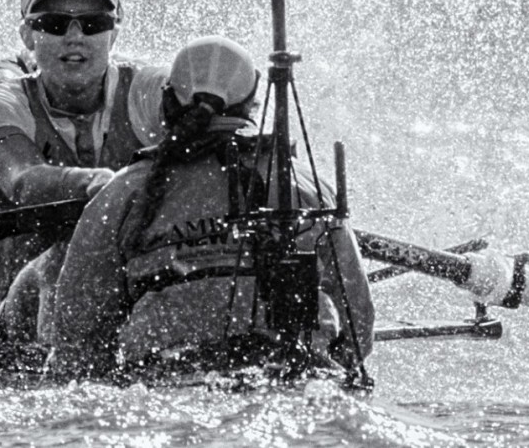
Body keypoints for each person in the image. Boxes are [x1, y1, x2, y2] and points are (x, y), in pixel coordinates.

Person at [48, 35, 375, 379]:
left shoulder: (122, 193)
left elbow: (76, 335)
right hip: (298, 382)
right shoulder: (307, 187)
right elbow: (358, 324)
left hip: (164, 386)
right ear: (251, 104)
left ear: (168, 101)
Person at [0, 0, 170, 340]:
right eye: (53, 24)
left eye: (92, 23)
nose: (74, 37)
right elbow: (22, 178)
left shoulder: (149, 89)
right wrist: (96, 183)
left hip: (102, 264)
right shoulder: (1, 92)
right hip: (9, 265)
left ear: (114, 32)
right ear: (28, 36)